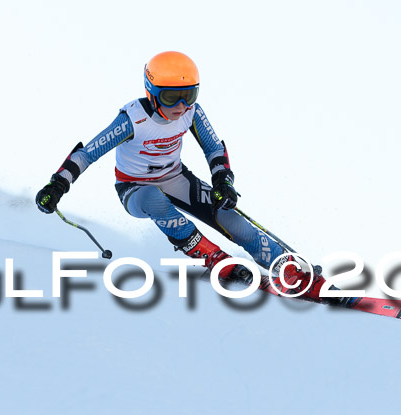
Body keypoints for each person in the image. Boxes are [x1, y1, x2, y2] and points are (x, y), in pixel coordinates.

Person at [36, 51, 325, 294]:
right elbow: (87, 153)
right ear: (152, 92)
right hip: (134, 188)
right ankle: (215, 260)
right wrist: (58, 185)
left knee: (231, 220)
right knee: (154, 200)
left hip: (176, 178)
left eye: (189, 94)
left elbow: (214, 149)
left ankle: (290, 270)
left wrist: (222, 179)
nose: (181, 106)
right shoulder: (132, 119)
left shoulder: (192, 112)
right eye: (172, 97)